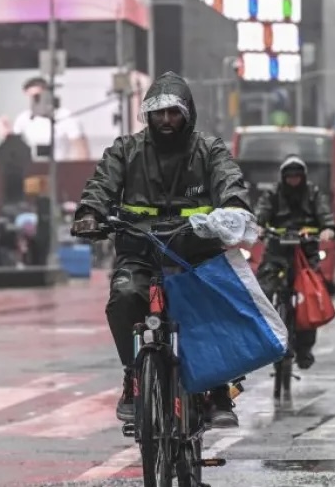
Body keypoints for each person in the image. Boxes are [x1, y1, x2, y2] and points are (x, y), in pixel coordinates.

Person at [70, 72, 252, 428]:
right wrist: (90, 214)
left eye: (173, 112)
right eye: (158, 113)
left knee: (213, 303)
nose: (166, 120)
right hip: (140, 251)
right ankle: (133, 376)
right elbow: (101, 184)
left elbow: (230, 181)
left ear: (187, 114)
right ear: (148, 116)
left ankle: (217, 389)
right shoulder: (125, 149)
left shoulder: (209, 149)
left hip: (194, 253)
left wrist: (233, 209)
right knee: (125, 297)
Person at [253, 155, 335, 369]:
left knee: (309, 300)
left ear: (303, 177)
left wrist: (328, 228)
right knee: (262, 290)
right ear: (283, 178)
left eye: (297, 177)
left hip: (305, 256)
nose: (293, 180)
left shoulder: (313, 193)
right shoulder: (272, 193)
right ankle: (267, 341)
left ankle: (305, 349)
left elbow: (325, 215)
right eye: (289, 177)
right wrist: (259, 226)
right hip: (276, 253)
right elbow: (261, 213)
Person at [0, 76, 90, 161]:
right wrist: (6, 134)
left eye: (37, 96)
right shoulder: (23, 119)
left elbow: (81, 150)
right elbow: (15, 151)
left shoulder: (65, 116)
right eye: (31, 97)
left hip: (60, 170)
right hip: (32, 172)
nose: (35, 100)